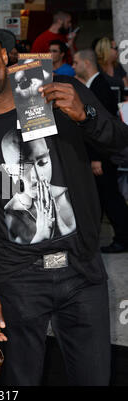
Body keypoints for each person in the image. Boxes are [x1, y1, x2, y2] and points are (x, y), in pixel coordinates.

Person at [0, 12, 128, 386]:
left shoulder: (55, 94)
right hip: (17, 278)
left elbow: (122, 147)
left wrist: (86, 116)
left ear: (6, 56)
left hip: (81, 271)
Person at [73, 49, 128, 253]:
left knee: (110, 198)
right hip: (101, 154)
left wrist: (97, 159)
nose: (73, 66)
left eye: (76, 62)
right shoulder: (95, 84)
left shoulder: (100, 86)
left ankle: (123, 238)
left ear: (87, 63)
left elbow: (101, 126)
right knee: (103, 198)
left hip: (103, 155)